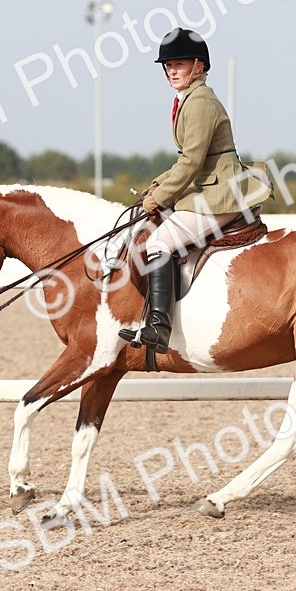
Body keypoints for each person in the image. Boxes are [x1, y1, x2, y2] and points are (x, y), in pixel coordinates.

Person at [118, 27, 271, 353]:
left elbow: (191, 161)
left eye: (180, 64)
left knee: (159, 241)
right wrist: (157, 184)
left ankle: (159, 327)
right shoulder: (188, 98)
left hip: (220, 194)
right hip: (207, 187)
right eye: (168, 66)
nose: (172, 71)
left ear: (199, 66)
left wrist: (160, 198)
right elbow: (186, 160)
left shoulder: (200, 102)